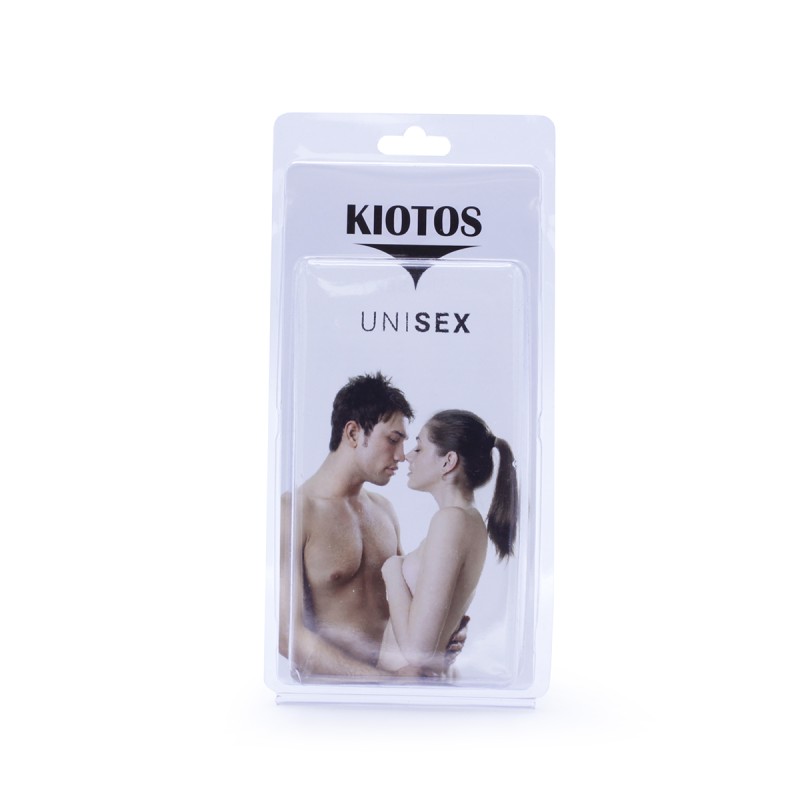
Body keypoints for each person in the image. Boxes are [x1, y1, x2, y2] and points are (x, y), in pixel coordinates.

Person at [279, 373, 466, 680]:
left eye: (404, 443)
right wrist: (386, 682)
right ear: (353, 433)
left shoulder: (383, 510)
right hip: (332, 699)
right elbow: (286, 635)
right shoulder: (294, 513)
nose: (402, 455)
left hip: (401, 688)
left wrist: (445, 633)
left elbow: (409, 604)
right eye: (393, 439)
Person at [378, 410, 518, 677]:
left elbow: (417, 653)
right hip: (404, 687)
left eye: (419, 448)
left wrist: (392, 570)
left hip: (405, 691)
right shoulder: (467, 520)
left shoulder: (451, 521)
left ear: (448, 461)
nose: (408, 456)